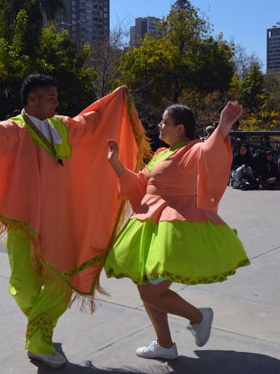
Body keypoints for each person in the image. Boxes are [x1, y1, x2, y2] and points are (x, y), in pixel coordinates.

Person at [0, 74, 148, 368]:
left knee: (61, 282)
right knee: (22, 285)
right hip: (25, 221)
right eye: (51, 98)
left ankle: (39, 342)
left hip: (62, 219)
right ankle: (40, 328)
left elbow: (91, 123)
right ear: (33, 99)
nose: (57, 102)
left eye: (56, 97)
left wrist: (116, 102)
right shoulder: (11, 129)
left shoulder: (62, 126)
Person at [104, 102, 249, 360]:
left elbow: (211, 151)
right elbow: (139, 184)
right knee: (145, 286)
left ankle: (199, 317)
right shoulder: (163, 152)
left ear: (179, 128)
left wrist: (223, 126)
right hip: (152, 225)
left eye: (164, 122)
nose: (159, 125)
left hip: (175, 228)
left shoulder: (193, 150)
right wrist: (115, 163)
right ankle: (165, 345)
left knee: (150, 291)